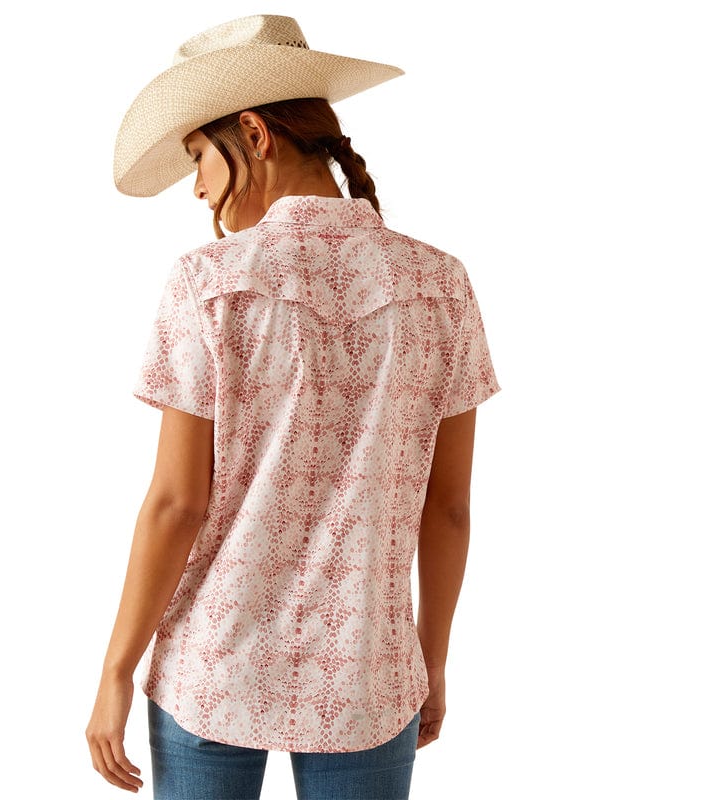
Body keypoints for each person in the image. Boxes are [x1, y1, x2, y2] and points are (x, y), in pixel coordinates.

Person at [86, 14, 500, 800]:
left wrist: (115, 670)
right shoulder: (440, 283)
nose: (197, 188)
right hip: (369, 677)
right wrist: (430, 660)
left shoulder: (207, 283)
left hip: (212, 667)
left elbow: (176, 505)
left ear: (254, 134)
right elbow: (447, 508)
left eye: (198, 157)